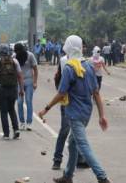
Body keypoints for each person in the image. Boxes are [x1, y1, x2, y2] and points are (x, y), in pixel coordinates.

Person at [38, 35, 111, 183]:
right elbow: (96, 93)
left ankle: (102, 177)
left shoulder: (70, 68)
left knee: (82, 146)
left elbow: (61, 92)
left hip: (74, 113)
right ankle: (68, 176)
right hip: (86, 112)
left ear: (69, 48)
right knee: (72, 143)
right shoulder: (89, 66)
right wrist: (101, 115)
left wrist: (46, 109)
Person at [0, 44, 24, 140]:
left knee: (3, 111)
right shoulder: (14, 61)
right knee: (11, 109)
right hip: (13, 88)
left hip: (1, 89)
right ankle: (16, 130)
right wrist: (22, 89)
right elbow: (20, 76)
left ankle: (6, 134)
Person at [13, 43, 38, 131]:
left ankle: (29, 122)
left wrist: (35, 82)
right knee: (19, 102)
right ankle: (22, 122)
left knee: (28, 101)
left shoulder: (30, 55)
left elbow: (35, 69)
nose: (17, 53)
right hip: (19, 82)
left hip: (29, 80)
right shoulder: (14, 57)